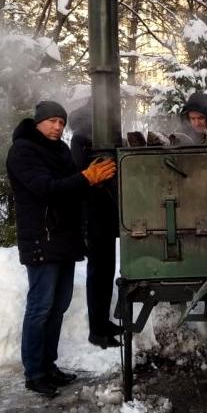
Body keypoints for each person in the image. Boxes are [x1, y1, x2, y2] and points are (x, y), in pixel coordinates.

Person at [6, 100, 116, 397]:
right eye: (52, 121)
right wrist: (86, 177)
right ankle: (34, 372)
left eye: (61, 122)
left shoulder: (61, 150)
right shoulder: (23, 151)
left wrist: (90, 179)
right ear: (38, 122)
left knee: (58, 306)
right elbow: (46, 189)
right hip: (41, 238)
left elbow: (71, 186)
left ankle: (49, 366)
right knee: (40, 307)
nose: (58, 127)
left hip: (64, 239)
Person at [68, 102, 123, 349]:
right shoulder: (81, 139)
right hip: (93, 214)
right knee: (98, 273)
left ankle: (103, 322)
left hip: (105, 214)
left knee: (106, 270)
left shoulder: (102, 138)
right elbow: (83, 176)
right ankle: (96, 329)